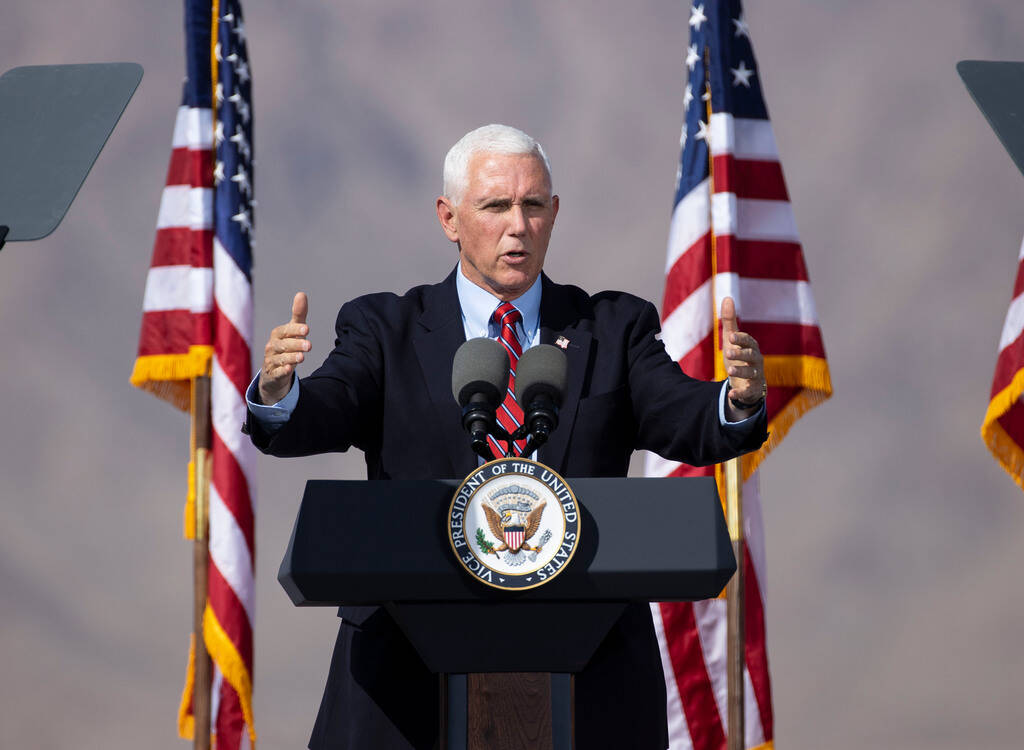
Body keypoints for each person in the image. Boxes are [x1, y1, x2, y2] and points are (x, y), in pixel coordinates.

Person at [245, 124, 768, 750]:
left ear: (554, 213)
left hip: (590, 672)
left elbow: (682, 415)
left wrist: (737, 400)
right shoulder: (387, 328)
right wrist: (280, 393)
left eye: (533, 205)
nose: (517, 225)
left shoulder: (611, 327)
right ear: (450, 218)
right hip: (404, 678)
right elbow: (328, 408)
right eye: (495, 206)